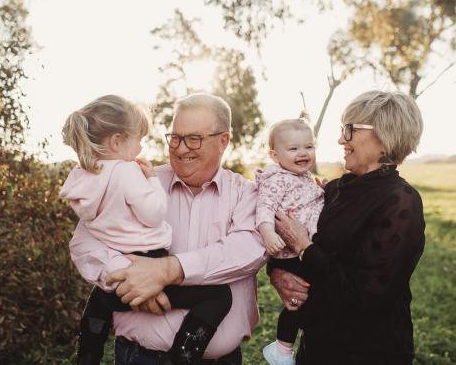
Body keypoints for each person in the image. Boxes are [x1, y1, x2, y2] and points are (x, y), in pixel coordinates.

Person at [69, 93, 267, 364]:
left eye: (193, 139)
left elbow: (247, 250)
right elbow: (85, 242)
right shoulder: (137, 181)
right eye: (175, 137)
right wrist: (132, 281)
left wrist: (168, 270)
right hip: (139, 358)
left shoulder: (246, 193)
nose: (181, 148)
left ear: (224, 141)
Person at [270, 90, 425, 365]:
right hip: (317, 346)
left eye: (349, 130)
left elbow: (366, 296)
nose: (341, 139)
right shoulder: (336, 189)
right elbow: (291, 239)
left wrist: (305, 247)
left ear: (384, 134)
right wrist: (277, 271)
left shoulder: (401, 201)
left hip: (369, 353)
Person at [254, 116, 324, 365]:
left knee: (308, 300)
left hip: (303, 250)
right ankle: (282, 350)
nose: (302, 153)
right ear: (275, 155)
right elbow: (264, 208)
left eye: (308, 146)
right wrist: (268, 233)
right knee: (299, 301)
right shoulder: (277, 179)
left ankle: (289, 346)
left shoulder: (305, 178)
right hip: (290, 254)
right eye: (293, 149)